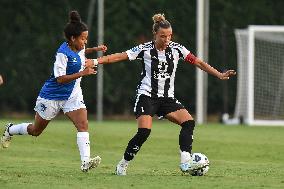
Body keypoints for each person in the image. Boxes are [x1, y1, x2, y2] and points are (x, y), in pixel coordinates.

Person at [92, 13, 236, 175]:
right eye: (163, 36)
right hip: (147, 96)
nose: (167, 39)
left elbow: (199, 62)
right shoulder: (144, 49)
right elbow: (119, 56)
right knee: (144, 132)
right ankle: (123, 163)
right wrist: (96, 61)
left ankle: (185, 161)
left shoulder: (177, 49)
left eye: (169, 36)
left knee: (188, 122)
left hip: (167, 98)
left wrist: (219, 74)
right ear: (155, 35)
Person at [1, 10, 107, 172]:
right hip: (52, 96)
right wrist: (83, 73)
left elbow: (81, 51)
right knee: (36, 130)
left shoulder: (79, 45)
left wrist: (95, 49)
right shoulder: (62, 54)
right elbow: (60, 79)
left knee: (83, 124)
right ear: (72, 38)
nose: (85, 41)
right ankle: (10, 129)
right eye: (83, 38)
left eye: (86, 38)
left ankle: (85, 162)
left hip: (72, 94)